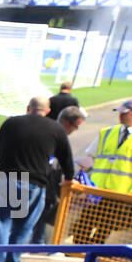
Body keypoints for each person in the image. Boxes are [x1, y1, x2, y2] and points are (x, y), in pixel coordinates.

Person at [0, 95, 73, 262]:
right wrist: (69, 177)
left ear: (28, 108)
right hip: (34, 184)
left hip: (7, 179)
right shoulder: (55, 128)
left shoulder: (11, 123)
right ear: (48, 111)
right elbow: (67, 158)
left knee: (2, 223)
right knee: (24, 225)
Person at [33, 105, 87, 246]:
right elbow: (63, 161)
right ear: (66, 123)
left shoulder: (52, 133)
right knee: (34, 216)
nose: (76, 130)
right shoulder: (54, 135)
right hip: (39, 183)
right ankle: (32, 245)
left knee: (40, 217)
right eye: (76, 126)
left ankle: (36, 243)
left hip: (47, 185)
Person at [79, 98, 132, 195]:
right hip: (96, 189)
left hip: (122, 193)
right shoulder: (106, 132)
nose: (120, 116)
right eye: (120, 113)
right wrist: (79, 177)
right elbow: (90, 156)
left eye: (124, 113)